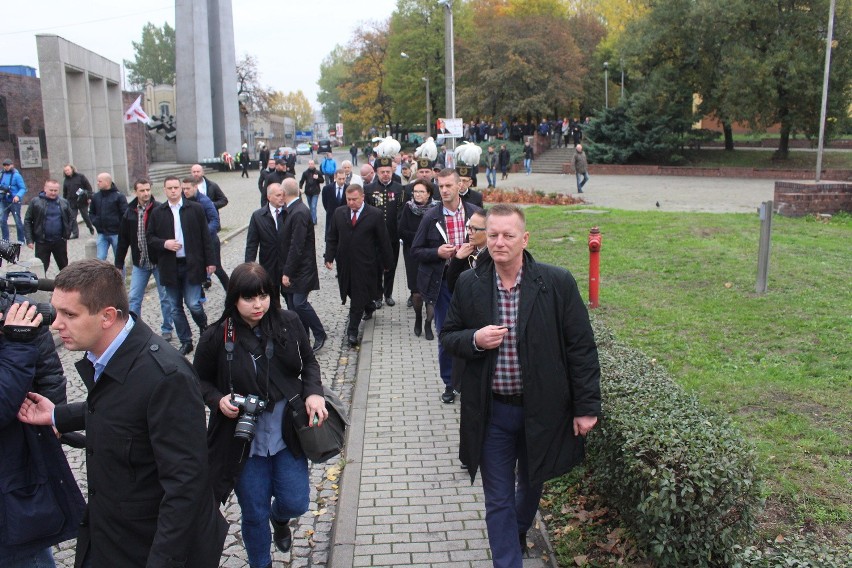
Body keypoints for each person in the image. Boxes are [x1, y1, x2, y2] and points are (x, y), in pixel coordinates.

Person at [17, 260, 228, 567]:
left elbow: (185, 488)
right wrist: (56, 416)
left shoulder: (166, 378)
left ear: (107, 317)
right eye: (56, 311)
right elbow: (121, 410)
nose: (55, 324)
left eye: (69, 315)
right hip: (109, 537)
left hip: (145, 548)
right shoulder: (110, 356)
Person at [440, 204, 601, 568]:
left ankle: (516, 530)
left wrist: (586, 407)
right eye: (492, 234)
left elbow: (581, 347)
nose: (499, 242)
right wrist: (476, 340)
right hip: (492, 413)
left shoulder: (556, 283)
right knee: (498, 498)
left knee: (530, 486)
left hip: (540, 412)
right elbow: (449, 335)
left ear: (524, 239)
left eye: (508, 235)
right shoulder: (470, 284)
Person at [193, 262, 327, 568]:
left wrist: (315, 393)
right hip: (243, 443)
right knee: (253, 513)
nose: (258, 305)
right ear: (234, 299)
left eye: (264, 296)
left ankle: (279, 519)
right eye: (249, 298)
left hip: (285, 434)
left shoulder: (289, 323)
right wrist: (217, 399)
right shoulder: (216, 336)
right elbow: (197, 380)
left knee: (296, 501)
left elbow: (309, 362)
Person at [1, 301, 85, 567]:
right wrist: (15, 344)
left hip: (22, 471)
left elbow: (50, 374)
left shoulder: (18, 311)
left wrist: (53, 419)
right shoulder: (16, 339)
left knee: (31, 550)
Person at [411, 168, 482, 403]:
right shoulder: (431, 217)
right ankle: (450, 383)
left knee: (473, 333)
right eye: (440, 186)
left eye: (448, 185)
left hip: (471, 284)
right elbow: (416, 251)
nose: (444, 190)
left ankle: (472, 380)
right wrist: (438, 252)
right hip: (442, 285)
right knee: (446, 335)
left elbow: (488, 242)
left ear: (459, 185)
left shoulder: (475, 213)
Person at [146, 176, 216, 355]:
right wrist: (165, 244)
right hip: (169, 266)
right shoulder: (158, 212)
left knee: (193, 303)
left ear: (182, 189)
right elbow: (150, 238)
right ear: (164, 190)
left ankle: (204, 326)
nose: (173, 191)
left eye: (176, 187)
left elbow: (205, 237)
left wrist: (210, 261)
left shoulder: (195, 209)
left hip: (192, 264)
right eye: (169, 188)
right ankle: (186, 340)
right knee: (175, 307)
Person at [323, 184, 393, 347]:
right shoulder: (339, 213)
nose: (351, 203)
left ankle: (352, 332)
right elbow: (332, 236)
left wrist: (387, 263)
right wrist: (329, 255)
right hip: (345, 263)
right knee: (349, 291)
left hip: (366, 263)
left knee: (358, 295)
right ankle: (368, 306)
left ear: (362, 197)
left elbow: (384, 240)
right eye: (348, 199)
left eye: (354, 199)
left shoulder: (374, 214)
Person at [115, 178, 174, 340]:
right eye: (142, 190)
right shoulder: (129, 212)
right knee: (134, 297)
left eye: (148, 190)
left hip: (158, 262)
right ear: (136, 192)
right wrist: (119, 263)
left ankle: (167, 327)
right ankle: (133, 329)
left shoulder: (160, 209)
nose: (146, 193)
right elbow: (123, 240)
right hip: (140, 262)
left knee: (165, 297)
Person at [279, 178, 326, 352]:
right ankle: (302, 338)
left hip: (301, 269)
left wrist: (287, 272)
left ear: (284, 193)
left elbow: (296, 245)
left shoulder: (299, 212)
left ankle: (319, 332)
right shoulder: (291, 210)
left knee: (299, 304)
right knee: (292, 306)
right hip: (294, 268)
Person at [398, 179, 438, 338]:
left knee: (431, 293)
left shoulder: (436, 209)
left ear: (428, 193)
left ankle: (428, 323)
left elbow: (439, 233)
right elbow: (401, 231)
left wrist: (425, 240)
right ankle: (418, 317)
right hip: (412, 255)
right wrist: (421, 238)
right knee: (416, 292)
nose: (418, 194)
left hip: (431, 254)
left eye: (421, 191)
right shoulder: (408, 208)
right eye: (415, 191)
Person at [365, 155, 406, 307]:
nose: (385, 174)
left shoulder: (398, 189)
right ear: (376, 172)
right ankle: (377, 295)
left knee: (391, 265)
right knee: (375, 267)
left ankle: (388, 294)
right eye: (382, 171)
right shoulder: (369, 189)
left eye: (388, 171)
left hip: (392, 236)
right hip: (373, 237)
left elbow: (401, 211)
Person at [182, 177, 229, 291]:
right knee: (196, 269)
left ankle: (230, 290)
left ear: (195, 187)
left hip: (210, 241)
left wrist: (203, 233)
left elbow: (215, 221)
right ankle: (200, 296)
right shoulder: (182, 201)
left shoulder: (205, 201)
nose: (185, 191)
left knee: (217, 268)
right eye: (183, 189)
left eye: (188, 188)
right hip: (192, 242)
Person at [24, 178, 73, 275]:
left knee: (64, 267)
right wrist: (29, 239)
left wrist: (67, 233)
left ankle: (65, 287)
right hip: (42, 241)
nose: (53, 193)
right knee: (41, 268)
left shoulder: (64, 202)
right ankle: (39, 287)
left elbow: (71, 218)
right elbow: (28, 220)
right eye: (51, 190)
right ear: (45, 189)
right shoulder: (35, 202)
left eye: (56, 190)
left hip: (59, 240)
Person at [245, 183, 287, 298]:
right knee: (272, 302)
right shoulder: (258, 216)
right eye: (278, 195)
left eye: (283, 195)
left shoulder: (290, 213)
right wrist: (249, 268)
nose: (281, 198)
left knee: (293, 302)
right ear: (269, 197)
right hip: (268, 265)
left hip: (287, 265)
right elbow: (252, 244)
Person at [89, 172, 128, 261]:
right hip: (102, 233)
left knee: (119, 260)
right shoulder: (96, 197)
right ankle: (100, 275)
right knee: (100, 259)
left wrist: (120, 226)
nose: (97, 183)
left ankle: (120, 275)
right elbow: (91, 212)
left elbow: (125, 214)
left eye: (100, 181)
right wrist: (95, 222)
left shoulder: (119, 196)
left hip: (116, 233)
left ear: (107, 182)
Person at [62, 163, 95, 238]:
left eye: (68, 170)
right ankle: (75, 233)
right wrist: (64, 201)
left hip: (82, 200)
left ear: (72, 169)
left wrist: (89, 197)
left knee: (85, 215)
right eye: (65, 171)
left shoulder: (80, 177)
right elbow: (65, 192)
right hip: (71, 201)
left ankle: (90, 227)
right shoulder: (66, 180)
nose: (67, 172)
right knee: (73, 217)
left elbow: (88, 187)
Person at [0, 159, 27, 243]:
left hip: (14, 201)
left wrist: (18, 196)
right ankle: (5, 239)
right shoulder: (1, 174)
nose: (6, 167)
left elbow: (23, 188)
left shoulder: (16, 176)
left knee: (17, 221)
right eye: (5, 165)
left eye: (8, 165)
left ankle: (21, 239)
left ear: (12, 165)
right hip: (3, 200)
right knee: (2, 220)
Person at [321, 170, 347, 240]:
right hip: (331, 218)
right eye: (340, 179)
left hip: (345, 219)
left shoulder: (348, 188)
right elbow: (325, 203)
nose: (342, 181)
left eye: (343, 179)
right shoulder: (327, 189)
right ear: (335, 177)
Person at [299, 159, 324, 225]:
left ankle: (313, 221)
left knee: (313, 206)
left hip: (315, 192)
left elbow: (322, 181)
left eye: (312, 164)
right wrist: (300, 188)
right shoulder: (305, 173)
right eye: (309, 164)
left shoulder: (318, 172)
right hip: (308, 192)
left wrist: (318, 178)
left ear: (314, 164)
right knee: (310, 207)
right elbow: (301, 181)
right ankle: (313, 218)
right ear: (308, 164)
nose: (311, 165)